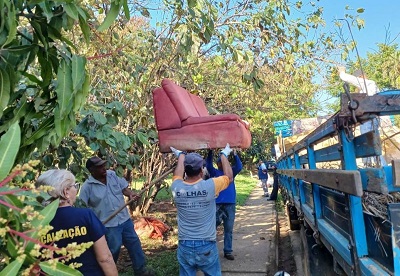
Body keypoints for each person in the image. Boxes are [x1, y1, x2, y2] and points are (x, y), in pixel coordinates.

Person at [79, 156, 154, 276]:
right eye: (99, 167)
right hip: (108, 225)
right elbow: (82, 207)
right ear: (92, 170)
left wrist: (130, 194)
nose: (104, 168)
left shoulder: (112, 175)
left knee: (134, 245)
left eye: (104, 165)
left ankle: (141, 271)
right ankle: (107, 272)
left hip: (124, 219)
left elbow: (124, 189)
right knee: (113, 249)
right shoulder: (87, 186)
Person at [36, 169, 118, 276]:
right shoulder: (85, 215)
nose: (76, 190)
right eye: (75, 186)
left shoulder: (35, 223)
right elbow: (105, 258)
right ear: (66, 192)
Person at [170, 144, 233, 276]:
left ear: (185, 171)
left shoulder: (176, 187)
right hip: (206, 246)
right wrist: (224, 155)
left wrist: (181, 156)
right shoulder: (210, 186)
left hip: (184, 245)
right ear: (201, 171)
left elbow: (177, 175)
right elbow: (229, 177)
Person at [338, 67, 387, 167]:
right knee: (367, 144)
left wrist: (342, 72)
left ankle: (380, 167)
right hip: (365, 121)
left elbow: (351, 79)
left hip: (370, 119)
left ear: (361, 77)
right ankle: (369, 166)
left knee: (371, 144)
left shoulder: (369, 84)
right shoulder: (363, 91)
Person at [205, 149, 242, 261]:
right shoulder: (215, 172)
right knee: (212, 228)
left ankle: (228, 251)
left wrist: (235, 154)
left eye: (224, 161)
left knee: (228, 229)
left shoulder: (231, 172)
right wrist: (210, 152)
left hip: (230, 204)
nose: (222, 164)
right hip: (217, 204)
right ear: (218, 164)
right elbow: (208, 164)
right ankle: (209, 250)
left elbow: (239, 166)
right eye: (220, 162)